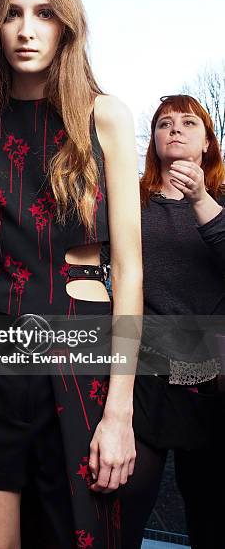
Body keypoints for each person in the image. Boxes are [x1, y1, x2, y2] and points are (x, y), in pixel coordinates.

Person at [0, 0, 142, 549]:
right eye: (13, 13)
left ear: (67, 24)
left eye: (45, 13)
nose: (27, 30)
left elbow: (127, 272)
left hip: (82, 367)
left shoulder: (106, 118)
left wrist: (120, 410)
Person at [120, 94, 225, 548]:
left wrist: (200, 197)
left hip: (212, 377)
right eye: (164, 123)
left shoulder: (220, 201)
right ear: (154, 142)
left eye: (188, 123)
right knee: (126, 502)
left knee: (211, 508)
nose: (175, 129)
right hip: (146, 372)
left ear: (206, 143)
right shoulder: (132, 203)